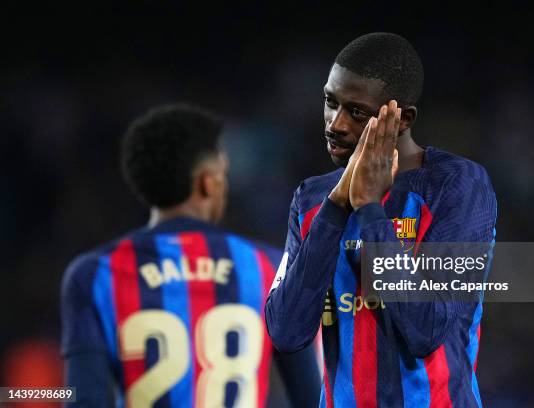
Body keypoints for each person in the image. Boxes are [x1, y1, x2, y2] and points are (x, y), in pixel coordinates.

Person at [265, 33, 497, 407]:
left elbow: (426, 329)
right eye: (330, 102)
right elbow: (287, 333)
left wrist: (371, 209)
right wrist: (337, 208)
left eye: (356, 111)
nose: (335, 123)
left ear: (402, 118)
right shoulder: (311, 199)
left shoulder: (456, 186)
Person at [61, 104, 321, 407]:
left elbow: (85, 400)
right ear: (207, 183)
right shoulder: (273, 268)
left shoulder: (95, 275)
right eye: (223, 174)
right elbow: (311, 398)